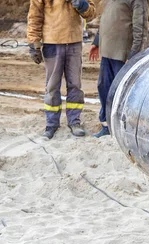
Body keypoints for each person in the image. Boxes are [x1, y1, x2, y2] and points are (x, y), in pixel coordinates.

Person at [27, 0, 96, 139]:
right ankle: (52, 124)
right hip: (52, 42)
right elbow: (35, 16)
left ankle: (74, 121)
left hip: (74, 43)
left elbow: (92, 13)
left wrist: (83, 5)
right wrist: (34, 43)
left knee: (75, 85)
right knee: (52, 86)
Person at [89, 0, 148, 138]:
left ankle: (123, 129)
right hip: (107, 51)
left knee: (123, 93)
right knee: (104, 88)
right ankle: (106, 125)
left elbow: (140, 28)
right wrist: (97, 41)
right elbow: (106, 18)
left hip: (123, 55)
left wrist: (133, 55)